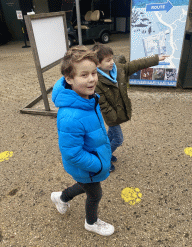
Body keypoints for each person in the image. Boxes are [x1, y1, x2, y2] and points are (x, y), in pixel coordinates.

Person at [51, 45, 114, 236]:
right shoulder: (70, 116)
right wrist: (98, 165)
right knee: (95, 194)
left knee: (85, 186)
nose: (92, 79)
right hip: (88, 166)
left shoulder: (87, 97)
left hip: (89, 165)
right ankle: (91, 222)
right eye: (84, 75)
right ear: (69, 79)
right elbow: (72, 153)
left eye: (94, 73)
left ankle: (61, 197)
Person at [91, 43, 169, 172]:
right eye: (108, 60)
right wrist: (114, 118)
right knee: (118, 139)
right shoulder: (97, 81)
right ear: (97, 64)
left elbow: (137, 64)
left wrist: (156, 58)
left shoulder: (119, 69)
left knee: (109, 136)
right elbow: (103, 105)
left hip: (118, 112)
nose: (112, 62)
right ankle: (104, 158)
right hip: (112, 116)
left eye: (112, 58)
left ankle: (103, 151)